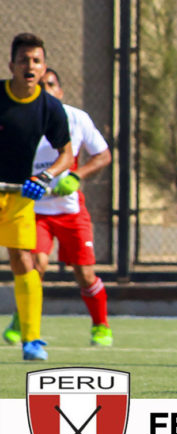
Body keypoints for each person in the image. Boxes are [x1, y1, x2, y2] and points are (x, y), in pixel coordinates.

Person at [2, 67, 113, 348]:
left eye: (51, 84)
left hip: (69, 210)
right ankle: (23, 321)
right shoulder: (23, 119)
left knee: (84, 273)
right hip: (35, 210)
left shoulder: (77, 118)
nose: (47, 89)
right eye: (42, 85)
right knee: (34, 265)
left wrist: (77, 175)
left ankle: (101, 325)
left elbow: (103, 155)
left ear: (60, 92)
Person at [0, 33, 73, 361]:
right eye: (24, 60)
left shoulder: (49, 107)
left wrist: (44, 178)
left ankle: (31, 340)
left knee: (23, 260)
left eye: (37, 61)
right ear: (11, 65)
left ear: (43, 69)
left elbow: (66, 156)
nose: (30, 66)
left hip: (19, 198)